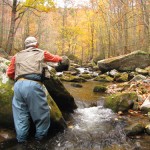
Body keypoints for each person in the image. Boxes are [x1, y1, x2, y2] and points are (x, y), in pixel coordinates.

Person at [6, 36, 62, 143]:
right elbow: (56, 59)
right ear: (36, 44)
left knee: (21, 117)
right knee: (41, 116)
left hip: (18, 86)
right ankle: (39, 142)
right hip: (33, 86)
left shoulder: (16, 56)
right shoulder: (42, 53)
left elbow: (9, 73)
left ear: (26, 45)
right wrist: (61, 59)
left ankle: (21, 142)